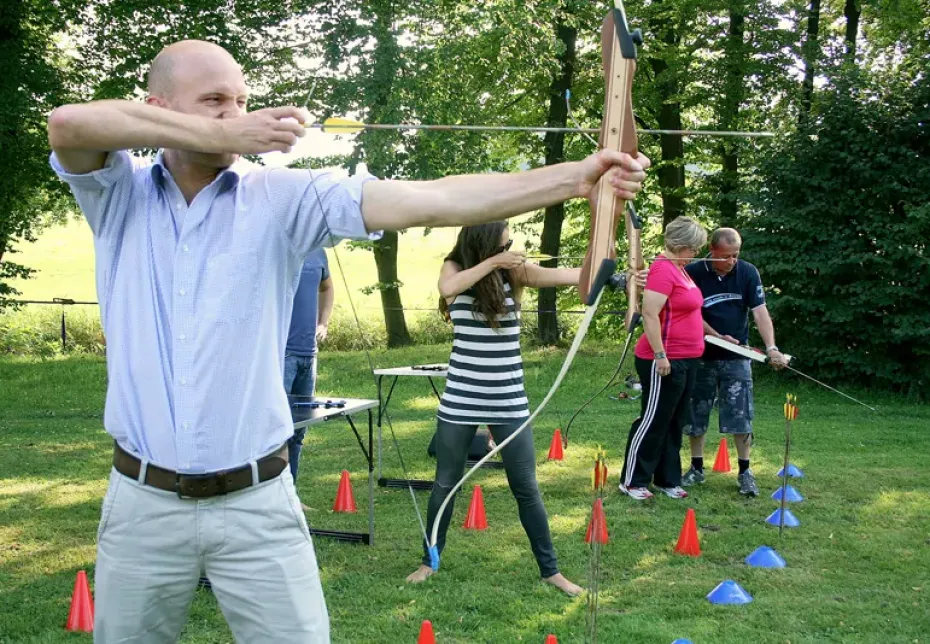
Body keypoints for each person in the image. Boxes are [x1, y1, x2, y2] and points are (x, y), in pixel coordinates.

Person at [46, 39, 648, 644]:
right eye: (214, 101)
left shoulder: (282, 197)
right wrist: (220, 131)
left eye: (242, 100)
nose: (235, 114)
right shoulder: (116, 192)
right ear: (159, 108)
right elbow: (69, 123)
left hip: (257, 503)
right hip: (142, 503)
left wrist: (577, 177)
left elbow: (430, 199)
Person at [404, 222, 583, 596]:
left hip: (507, 399)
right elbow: (447, 289)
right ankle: (428, 561)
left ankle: (550, 571)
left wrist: (608, 271)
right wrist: (494, 262)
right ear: (484, 244)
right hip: (461, 398)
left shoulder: (513, 273)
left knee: (526, 486)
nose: (510, 250)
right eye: (504, 245)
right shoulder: (455, 268)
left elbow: (569, 276)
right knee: (445, 484)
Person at [680, 227, 788, 496]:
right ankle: (696, 468)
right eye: (725, 256)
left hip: (737, 357)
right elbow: (689, 313)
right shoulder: (692, 272)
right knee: (696, 413)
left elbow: (760, 312)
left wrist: (772, 348)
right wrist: (716, 336)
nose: (731, 261)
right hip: (700, 355)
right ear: (712, 251)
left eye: (735, 255)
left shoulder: (747, 272)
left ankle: (745, 472)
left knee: (741, 415)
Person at [619, 216, 708, 501]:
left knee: (674, 421)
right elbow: (649, 314)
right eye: (694, 248)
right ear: (681, 245)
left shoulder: (681, 271)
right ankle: (633, 481)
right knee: (654, 420)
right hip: (664, 359)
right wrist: (660, 355)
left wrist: (718, 335)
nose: (696, 253)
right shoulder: (662, 270)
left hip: (688, 358)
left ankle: (668, 479)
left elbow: (691, 312)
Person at [284, 247, 334, 486]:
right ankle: (275, 493)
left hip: (309, 354)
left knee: (298, 431)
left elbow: (327, 287)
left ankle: (290, 493)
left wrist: (323, 323)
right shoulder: (278, 247)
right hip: (281, 354)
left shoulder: (319, 252)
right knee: (278, 431)